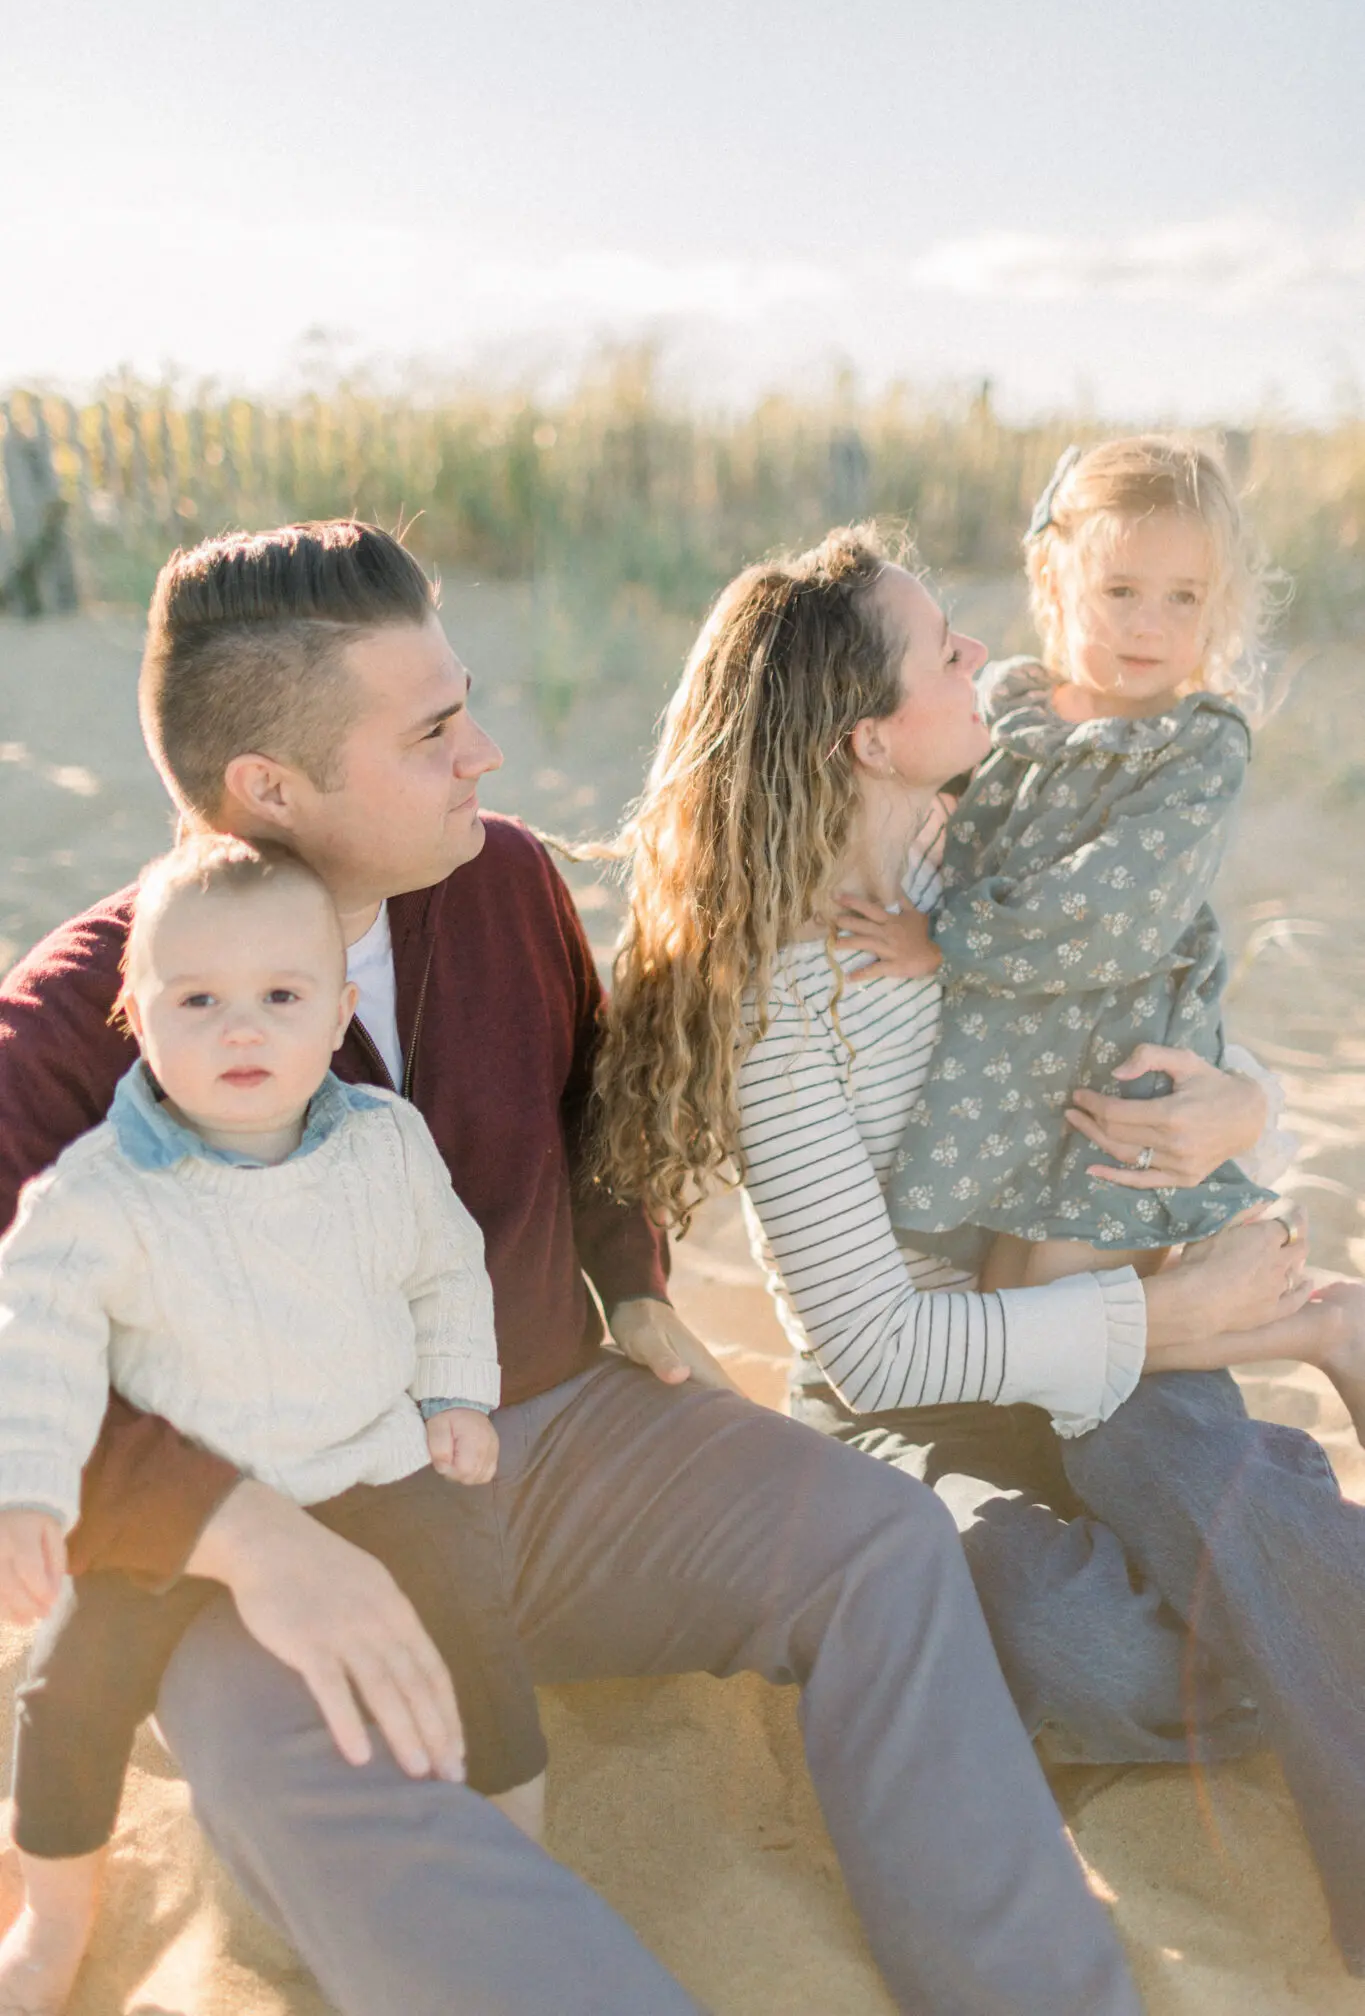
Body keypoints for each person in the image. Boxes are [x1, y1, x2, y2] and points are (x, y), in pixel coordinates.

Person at [0, 520, 1143, 2016]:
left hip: (555, 1439)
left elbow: (593, 1111)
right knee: (323, 1793)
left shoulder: (502, 880)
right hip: (263, 1548)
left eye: (465, 705)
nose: (481, 753)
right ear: (270, 790)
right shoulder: (65, 1027)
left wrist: (637, 1280)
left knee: (883, 1542)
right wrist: (248, 1538)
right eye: (430, 733)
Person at [591, 521, 1365, 1974]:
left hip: (1096, 1303)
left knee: (1203, 1489)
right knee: (1076, 1639)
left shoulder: (1000, 862)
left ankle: (1295, 1598)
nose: (983, 654)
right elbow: (875, 1348)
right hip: (918, 1405)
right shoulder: (780, 1007)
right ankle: (1304, 1604)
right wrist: (1168, 1326)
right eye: (945, 649)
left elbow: (1160, 1016)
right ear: (872, 738)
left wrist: (1246, 1102)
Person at [0, 834, 547, 2015]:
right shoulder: (99, 1190)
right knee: (69, 1684)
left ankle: (520, 1843)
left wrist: (456, 1391)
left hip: (368, 1458)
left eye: (281, 998)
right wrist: (29, 1488)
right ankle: (54, 1910)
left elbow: (443, 1269)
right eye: (198, 1000)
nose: (241, 1029)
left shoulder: (383, 1141)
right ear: (136, 1016)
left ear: (340, 1011)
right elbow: (33, 1340)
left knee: (473, 1614)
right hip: (203, 1500)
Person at [878, 437, 1275, 1284]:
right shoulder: (1006, 707)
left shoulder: (1197, 746)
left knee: (1065, 1290)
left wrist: (944, 940)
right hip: (998, 1072)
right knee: (998, 1295)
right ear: (1054, 581)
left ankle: (1306, 1318)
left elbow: (1113, 911)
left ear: (1216, 607)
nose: (1147, 624)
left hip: (1117, 1077)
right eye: (1119, 590)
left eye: (1182, 597)